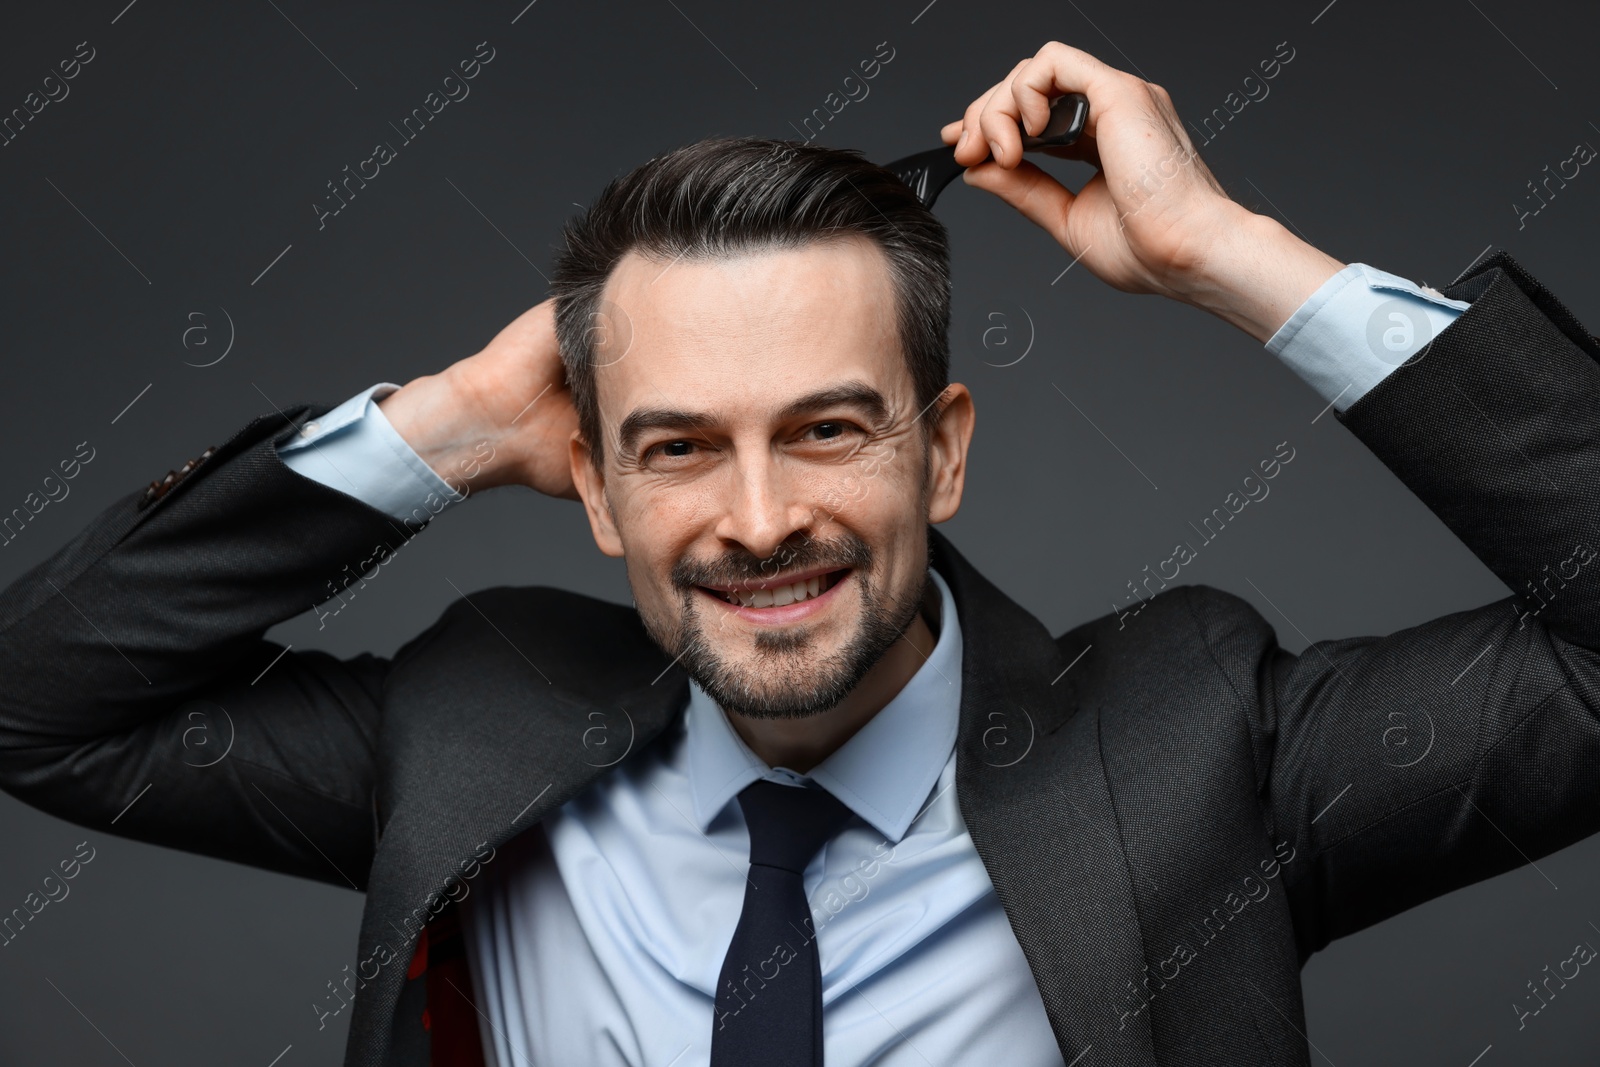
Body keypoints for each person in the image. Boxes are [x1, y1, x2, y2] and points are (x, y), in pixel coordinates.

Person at [2, 39, 1598, 1067]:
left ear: (945, 450)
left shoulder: (1196, 748)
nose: (760, 521)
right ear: (594, 488)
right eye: (677, 446)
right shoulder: (469, 724)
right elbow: (43, 703)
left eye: (829, 429)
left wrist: (1234, 261)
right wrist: (450, 425)